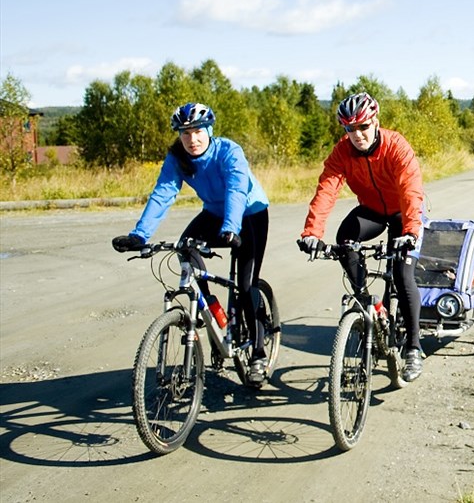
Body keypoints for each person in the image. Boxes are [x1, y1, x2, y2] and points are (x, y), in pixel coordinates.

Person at [112, 102, 272, 385]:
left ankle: (258, 354)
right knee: (185, 249)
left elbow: (236, 188)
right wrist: (139, 235)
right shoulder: (178, 158)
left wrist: (230, 228)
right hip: (213, 212)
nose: (192, 139)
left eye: (197, 131)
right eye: (184, 133)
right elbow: (163, 193)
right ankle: (211, 311)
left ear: (209, 129)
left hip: (249, 213)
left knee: (247, 285)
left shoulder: (229, 151)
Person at [298, 92, 427, 382]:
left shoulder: (396, 147)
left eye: (363, 127)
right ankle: (366, 301)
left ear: (375, 122)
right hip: (371, 211)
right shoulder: (343, 151)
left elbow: (411, 190)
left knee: (403, 275)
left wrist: (410, 232)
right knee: (345, 239)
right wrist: (312, 233)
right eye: (349, 129)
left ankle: (413, 348)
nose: (357, 135)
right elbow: (327, 189)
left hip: (402, 215)